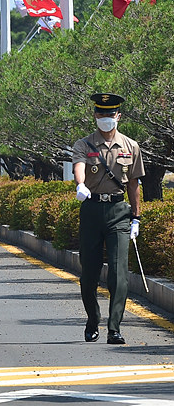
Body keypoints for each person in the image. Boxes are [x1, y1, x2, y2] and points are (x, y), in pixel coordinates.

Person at [72, 93, 144, 345]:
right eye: (101, 114)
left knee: (118, 272)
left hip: (118, 212)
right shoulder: (84, 144)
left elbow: (134, 184)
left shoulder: (130, 146)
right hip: (91, 210)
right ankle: (93, 320)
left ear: (118, 116)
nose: (106, 118)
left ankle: (114, 327)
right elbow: (79, 166)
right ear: (95, 115)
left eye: (110, 114)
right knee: (89, 273)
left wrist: (136, 217)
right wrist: (80, 184)